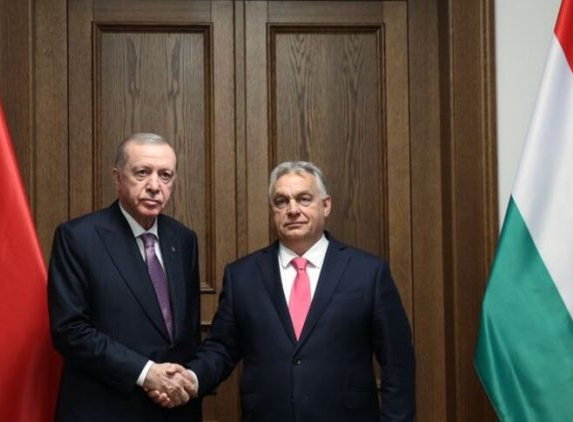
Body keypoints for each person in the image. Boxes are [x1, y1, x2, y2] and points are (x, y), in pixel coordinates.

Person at [156, 160, 415, 421]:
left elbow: (398, 362)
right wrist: (191, 378)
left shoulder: (368, 272)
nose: (292, 210)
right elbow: (221, 348)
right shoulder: (242, 276)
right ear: (273, 210)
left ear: (326, 205)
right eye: (282, 201)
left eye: (304, 199)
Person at [48, 133, 200, 421]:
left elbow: (187, 332)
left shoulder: (183, 239)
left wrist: (178, 382)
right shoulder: (78, 237)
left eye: (165, 175)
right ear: (117, 178)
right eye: (142, 173)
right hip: (106, 409)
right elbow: (70, 330)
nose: (154, 186)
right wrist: (146, 373)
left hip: (173, 409)